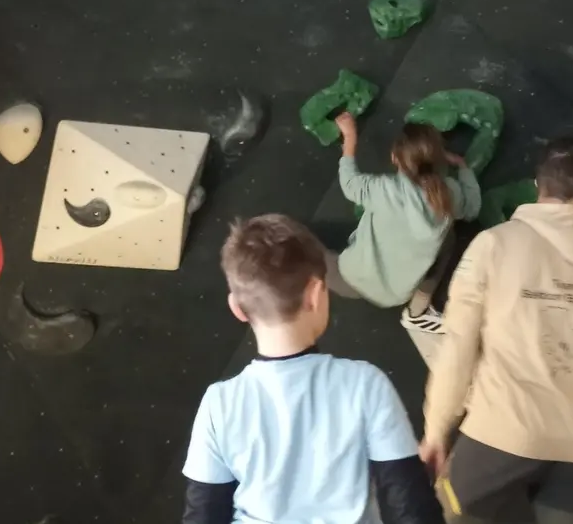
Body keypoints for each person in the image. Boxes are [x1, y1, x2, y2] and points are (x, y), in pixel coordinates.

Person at [419, 136, 573, 524]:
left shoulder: (493, 246)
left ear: (540, 182)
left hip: (496, 438)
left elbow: (457, 348)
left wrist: (437, 429)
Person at [181, 214, 444, 524]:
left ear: (237, 308)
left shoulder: (218, 404)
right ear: (316, 295)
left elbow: (203, 514)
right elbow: (410, 507)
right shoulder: (365, 385)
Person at [331, 112, 481, 333]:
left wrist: (350, 137)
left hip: (352, 278)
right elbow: (472, 208)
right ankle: (418, 310)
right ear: (440, 160)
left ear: (394, 157)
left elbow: (349, 183)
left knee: (302, 247)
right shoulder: (450, 193)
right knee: (449, 240)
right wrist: (464, 167)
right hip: (398, 293)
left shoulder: (382, 189)